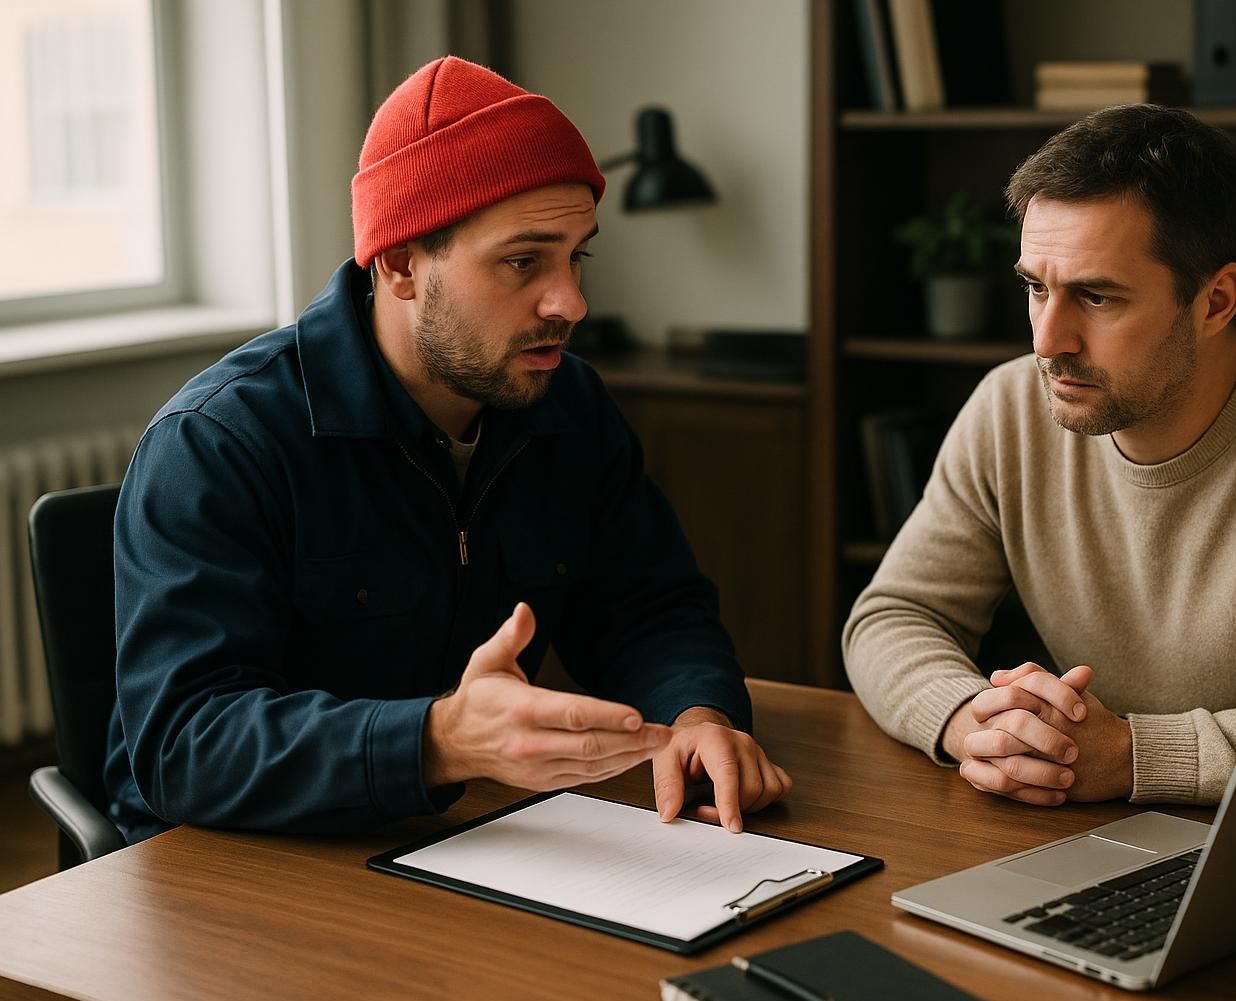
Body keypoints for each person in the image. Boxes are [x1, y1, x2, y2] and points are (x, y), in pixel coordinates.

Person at [106, 57, 790, 844]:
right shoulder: (218, 442)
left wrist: (698, 715)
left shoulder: (570, 404)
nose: (571, 302)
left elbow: (651, 609)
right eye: (524, 261)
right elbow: (183, 748)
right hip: (227, 867)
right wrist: (441, 741)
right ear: (399, 264)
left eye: (578, 255)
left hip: (469, 837)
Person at [843, 104, 1236, 808]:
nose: (1047, 341)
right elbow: (892, 616)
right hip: (1084, 836)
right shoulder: (1008, 409)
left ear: (1216, 301)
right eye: (1035, 287)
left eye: (1097, 296)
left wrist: (1138, 757)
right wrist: (966, 720)